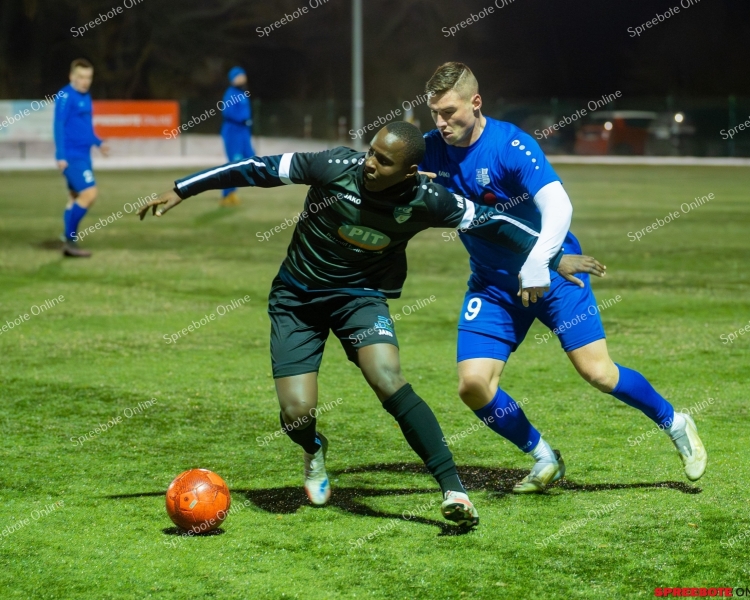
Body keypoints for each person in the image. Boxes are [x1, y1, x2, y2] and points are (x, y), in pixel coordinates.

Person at [137, 121, 586, 527]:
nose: (370, 163)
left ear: (410, 171)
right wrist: (183, 188)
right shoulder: (333, 166)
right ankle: (314, 451)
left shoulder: (427, 199)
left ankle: (453, 489)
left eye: (384, 160)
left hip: (360, 299)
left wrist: (554, 254)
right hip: (297, 299)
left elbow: (493, 223)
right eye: (371, 152)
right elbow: (256, 168)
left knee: (388, 379)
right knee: (296, 412)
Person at [420, 62, 707, 491]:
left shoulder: (511, 145)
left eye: (449, 112)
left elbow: (559, 206)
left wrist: (539, 262)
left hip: (555, 274)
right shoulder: (430, 148)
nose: (441, 123)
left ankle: (676, 422)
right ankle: (543, 456)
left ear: (476, 103)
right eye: (435, 114)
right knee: (473, 386)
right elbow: (381, 165)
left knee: (598, 374)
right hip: (493, 286)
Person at [55, 58, 109, 258]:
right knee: (90, 194)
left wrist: (98, 142)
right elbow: (58, 125)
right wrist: (61, 155)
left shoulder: (85, 96)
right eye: (81, 77)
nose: (85, 81)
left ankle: (66, 237)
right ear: (72, 77)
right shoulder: (65, 96)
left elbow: (86, 128)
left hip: (84, 155)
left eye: (88, 77)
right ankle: (70, 240)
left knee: (74, 198)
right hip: (72, 156)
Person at [219, 66, 254, 207]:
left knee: (249, 160)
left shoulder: (242, 93)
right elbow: (228, 112)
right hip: (233, 132)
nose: (242, 78)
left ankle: (232, 192)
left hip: (243, 132)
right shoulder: (231, 94)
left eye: (243, 75)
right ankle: (226, 195)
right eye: (239, 76)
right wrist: (242, 120)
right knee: (235, 163)